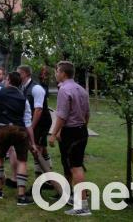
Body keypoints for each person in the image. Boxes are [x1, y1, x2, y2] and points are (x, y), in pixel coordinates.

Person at [49, 61, 91, 216]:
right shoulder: (82, 89)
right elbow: (87, 114)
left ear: (63, 73)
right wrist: (83, 128)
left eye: (57, 71)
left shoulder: (64, 90)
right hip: (81, 130)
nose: (55, 74)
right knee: (76, 166)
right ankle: (78, 200)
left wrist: (53, 134)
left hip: (71, 132)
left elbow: (61, 116)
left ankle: (82, 206)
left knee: (75, 168)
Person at [0, 71, 35, 205]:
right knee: (22, 161)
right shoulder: (24, 99)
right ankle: (21, 196)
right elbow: (28, 123)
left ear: (7, 80)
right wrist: (33, 142)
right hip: (19, 130)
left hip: (2, 128)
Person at [18, 65, 53, 189]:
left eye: (19, 73)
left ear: (25, 74)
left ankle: (38, 185)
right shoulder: (23, 87)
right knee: (42, 149)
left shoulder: (36, 88)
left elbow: (38, 110)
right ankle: (48, 180)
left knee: (36, 150)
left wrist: (31, 128)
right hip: (34, 122)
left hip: (41, 122)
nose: (17, 76)